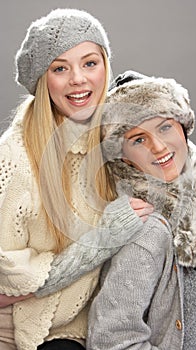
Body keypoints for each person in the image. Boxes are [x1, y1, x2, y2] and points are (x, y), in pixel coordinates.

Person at [0, 9, 153, 350]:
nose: (79, 80)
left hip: (99, 325)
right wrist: (103, 238)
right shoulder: (15, 158)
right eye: (60, 68)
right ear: (42, 80)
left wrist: (150, 101)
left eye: (89, 63)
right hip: (29, 335)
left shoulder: (112, 136)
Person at [87, 72, 196, 349]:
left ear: (183, 125)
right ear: (123, 157)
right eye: (138, 140)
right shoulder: (144, 227)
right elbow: (111, 340)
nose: (159, 147)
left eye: (164, 127)